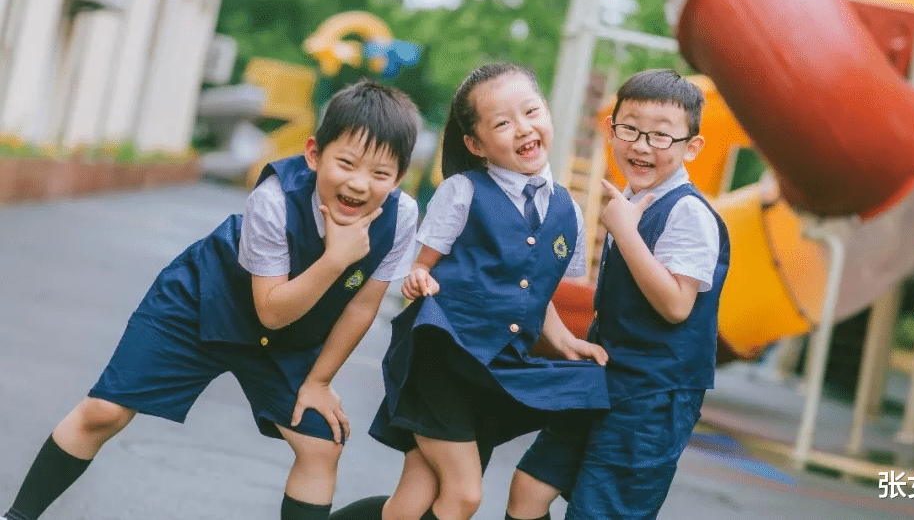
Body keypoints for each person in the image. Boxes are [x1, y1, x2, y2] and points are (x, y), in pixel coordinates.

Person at [2, 79, 421, 520]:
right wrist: (335, 260)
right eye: (347, 163)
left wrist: (319, 381)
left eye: (380, 174)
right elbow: (271, 311)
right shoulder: (275, 200)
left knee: (321, 448)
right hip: (204, 301)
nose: (359, 184)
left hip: (288, 336)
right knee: (104, 411)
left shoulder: (401, 218)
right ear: (314, 154)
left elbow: (361, 305)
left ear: (399, 177)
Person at [332, 62, 610, 520]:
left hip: (493, 367)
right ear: (476, 144)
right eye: (503, 123)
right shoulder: (462, 192)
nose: (523, 128)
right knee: (463, 496)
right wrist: (418, 280)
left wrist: (566, 343)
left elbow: (536, 298)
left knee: (416, 496)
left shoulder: (568, 210)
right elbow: (420, 270)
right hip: (441, 359)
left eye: (531, 111)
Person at [505, 69, 731, 520]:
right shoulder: (629, 200)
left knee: (601, 511)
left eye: (662, 136)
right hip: (604, 377)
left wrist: (625, 231)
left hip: (653, 396)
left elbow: (676, 305)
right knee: (528, 488)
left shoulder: (688, 212)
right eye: (630, 129)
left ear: (692, 147)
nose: (643, 145)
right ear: (612, 132)